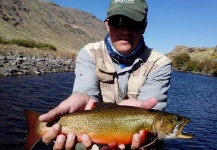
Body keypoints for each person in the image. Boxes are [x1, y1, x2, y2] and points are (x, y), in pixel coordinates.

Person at [39, 0, 172, 149]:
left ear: (144, 27)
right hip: (95, 132)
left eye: (134, 23)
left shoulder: (160, 63)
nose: (125, 30)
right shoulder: (90, 53)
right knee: (76, 144)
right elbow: (86, 96)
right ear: (107, 24)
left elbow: (151, 121)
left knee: (149, 142)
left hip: (135, 138)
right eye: (119, 22)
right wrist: (82, 97)